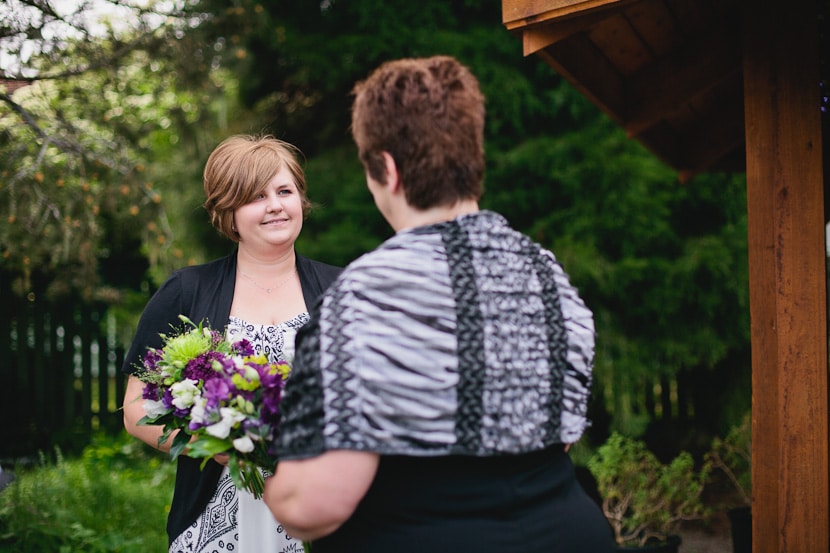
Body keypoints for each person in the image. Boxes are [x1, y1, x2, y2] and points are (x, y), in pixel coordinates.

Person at [262, 56, 616, 552]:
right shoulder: (550, 277)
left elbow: (314, 505)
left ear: (386, 168)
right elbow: (556, 438)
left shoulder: (367, 294)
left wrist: (274, 482)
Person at [122, 134, 341, 553]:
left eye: (284, 191)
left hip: (319, 510)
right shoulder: (186, 291)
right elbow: (136, 410)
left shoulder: (342, 289)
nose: (275, 205)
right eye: (256, 196)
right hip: (215, 519)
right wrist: (212, 446)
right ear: (229, 212)